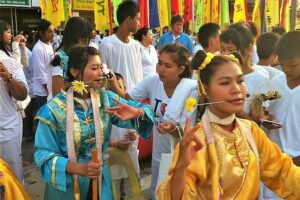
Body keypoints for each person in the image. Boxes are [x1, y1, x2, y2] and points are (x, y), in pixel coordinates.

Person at [157, 51, 300, 200]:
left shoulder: (250, 130)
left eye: (240, 81)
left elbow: (283, 173)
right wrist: (181, 166)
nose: (237, 89)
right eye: (225, 83)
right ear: (205, 90)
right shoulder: (197, 141)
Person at [34, 46, 154, 200]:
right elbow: (43, 154)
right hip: (67, 188)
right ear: (74, 71)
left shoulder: (105, 99)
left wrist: (137, 112)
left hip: (100, 182)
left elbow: (146, 110)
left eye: (101, 67)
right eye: (94, 68)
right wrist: (80, 168)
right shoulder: (53, 111)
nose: (101, 73)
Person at [110, 43, 198, 199]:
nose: (160, 69)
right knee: (157, 191)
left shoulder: (190, 89)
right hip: (159, 152)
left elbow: (187, 131)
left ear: (181, 69)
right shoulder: (152, 82)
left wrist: (171, 128)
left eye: (167, 65)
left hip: (181, 154)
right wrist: (114, 84)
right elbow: (127, 99)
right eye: (159, 63)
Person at [220, 23, 271, 122]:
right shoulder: (218, 73)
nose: (225, 55)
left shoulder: (260, 80)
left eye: (231, 50)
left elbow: (255, 123)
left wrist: (235, 108)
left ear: (249, 49)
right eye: (223, 49)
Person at [0, 20, 28, 182]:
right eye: (7, 31)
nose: (10, 34)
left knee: (12, 180)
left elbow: (23, 94)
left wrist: (9, 78)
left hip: (5, 133)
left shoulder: (9, 61)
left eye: (10, 31)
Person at [108, 73, 140, 200]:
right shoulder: (104, 110)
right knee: (113, 191)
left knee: (131, 190)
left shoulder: (133, 108)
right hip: (112, 159)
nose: (115, 94)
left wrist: (135, 134)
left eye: (119, 87)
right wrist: (114, 144)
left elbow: (139, 128)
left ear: (124, 89)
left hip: (130, 157)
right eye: (111, 90)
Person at [99, 0, 143, 90]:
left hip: (134, 100)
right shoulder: (107, 43)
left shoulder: (136, 45)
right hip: (115, 100)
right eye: (137, 19)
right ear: (129, 20)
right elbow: (102, 73)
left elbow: (139, 75)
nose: (140, 23)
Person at [51, 16, 93, 97]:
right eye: (86, 38)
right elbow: (57, 93)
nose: (88, 42)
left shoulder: (80, 56)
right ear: (77, 36)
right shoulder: (61, 58)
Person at [32, 19, 54, 109]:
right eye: (49, 32)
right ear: (41, 33)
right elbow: (41, 74)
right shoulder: (38, 49)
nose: (52, 34)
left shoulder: (49, 45)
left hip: (49, 89)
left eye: (53, 31)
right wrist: (50, 93)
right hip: (43, 93)